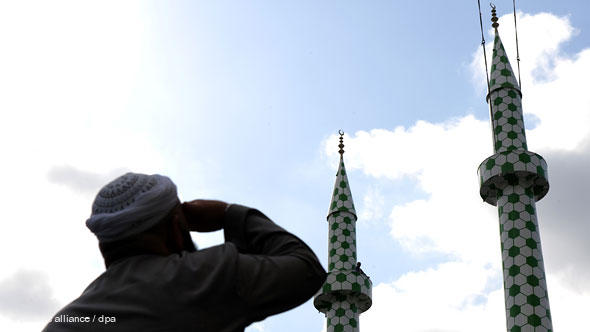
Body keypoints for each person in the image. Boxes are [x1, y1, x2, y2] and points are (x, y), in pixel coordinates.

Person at [43, 172, 326, 332]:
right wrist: (229, 214)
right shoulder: (203, 277)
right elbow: (306, 270)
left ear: (104, 244)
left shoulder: (66, 321)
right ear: (178, 228)